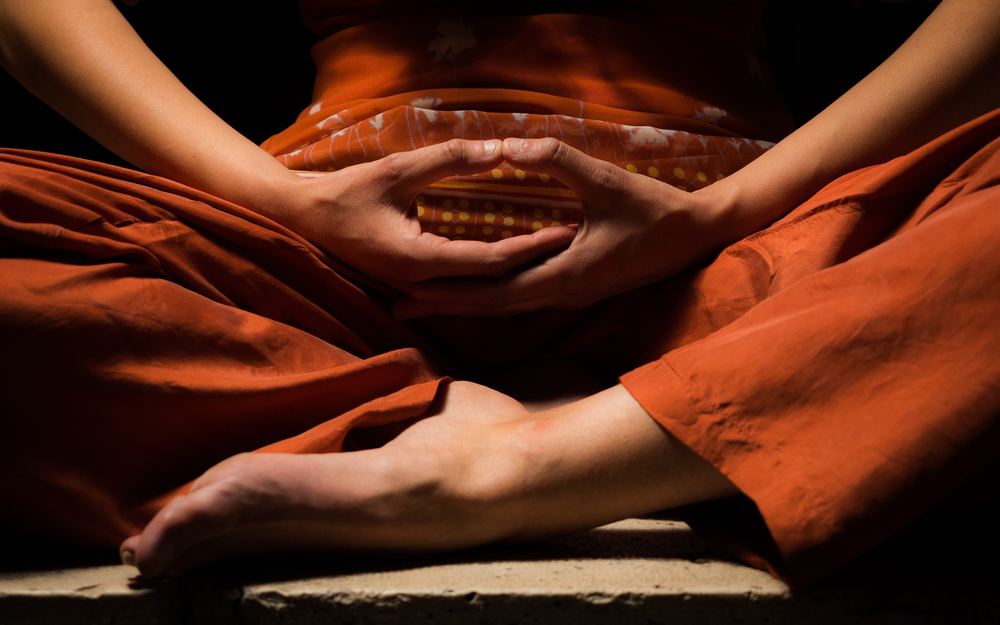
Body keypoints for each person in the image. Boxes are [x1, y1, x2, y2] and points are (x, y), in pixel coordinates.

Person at [1, 0, 998, 588]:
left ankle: (526, 464)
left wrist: (721, 213)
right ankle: (528, 428)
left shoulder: (733, 234)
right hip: (321, 287)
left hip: (734, 273)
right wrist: (284, 202)